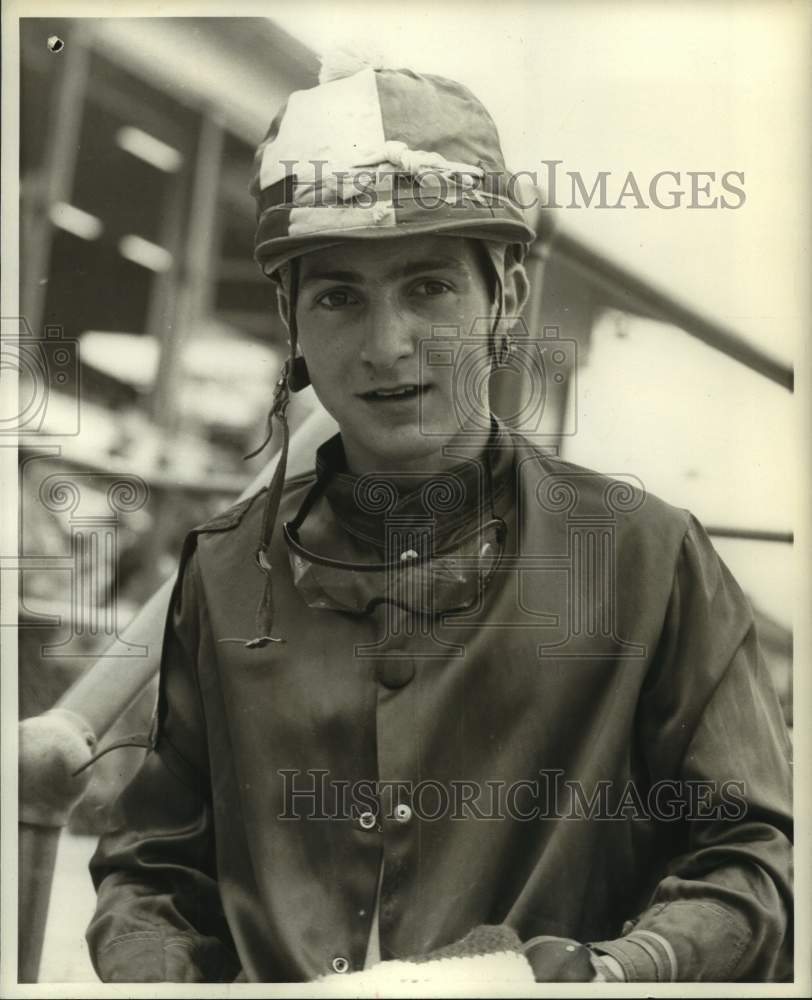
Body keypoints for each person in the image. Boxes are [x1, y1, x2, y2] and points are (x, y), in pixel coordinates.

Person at [85, 57, 793, 984]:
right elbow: (153, 872)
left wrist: (599, 973)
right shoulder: (222, 577)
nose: (387, 347)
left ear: (506, 297)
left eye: (429, 289)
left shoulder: (646, 561)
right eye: (340, 296)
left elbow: (748, 867)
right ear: (291, 319)